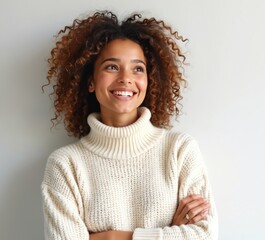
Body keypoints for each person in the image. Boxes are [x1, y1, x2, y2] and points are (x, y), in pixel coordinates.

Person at [41, 11, 217, 240]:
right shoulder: (66, 165)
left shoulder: (179, 151)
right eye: (111, 67)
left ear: (149, 79)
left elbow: (206, 235)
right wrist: (170, 232)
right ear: (91, 81)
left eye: (138, 68)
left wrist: (109, 237)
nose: (126, 78)